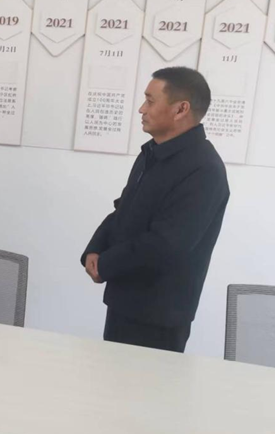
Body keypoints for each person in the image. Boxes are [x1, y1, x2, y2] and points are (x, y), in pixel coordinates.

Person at [81, 67, 229, 353]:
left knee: (143, 383)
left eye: (150, 101)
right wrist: (94, 249)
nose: (141, 109)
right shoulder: (152, 152)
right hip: (124, 301)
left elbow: (167, 244)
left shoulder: (204, 170)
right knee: (110, 378)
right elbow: (123, 209)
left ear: (180, 109)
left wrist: (106, 264)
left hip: (159, 316)